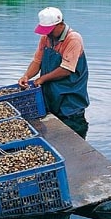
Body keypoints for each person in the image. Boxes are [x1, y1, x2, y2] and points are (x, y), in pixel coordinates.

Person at [18, 7, 89, 138]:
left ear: (60, 24)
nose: (47, 34)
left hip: (70, 96)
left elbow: (66, 70)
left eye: (49, 30)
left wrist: (42, 79)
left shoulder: (73, 39)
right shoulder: (46, 39)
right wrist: (26, 76)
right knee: (53, 134)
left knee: (73, 134)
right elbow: (37, 61)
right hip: (51, 94)